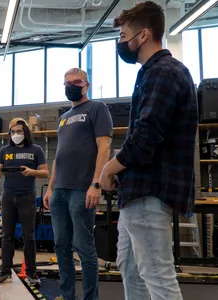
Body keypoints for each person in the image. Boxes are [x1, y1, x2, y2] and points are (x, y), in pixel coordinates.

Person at [99, 2, 198, 300]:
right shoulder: (149, 73)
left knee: (157, 276)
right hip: (137, 192)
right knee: (130, 269)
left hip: (150, 193)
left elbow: (146, 138)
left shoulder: (164, 73)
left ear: (143, 35)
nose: (120, 42)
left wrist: (108, 168)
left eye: (123, 35)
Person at [43, 67, 113, 300]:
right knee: (61, 246)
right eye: (67, 84)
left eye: (76, 82)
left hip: (82, 190)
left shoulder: (97, 108)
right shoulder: (63, 118)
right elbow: (59, 156)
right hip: (60, 191)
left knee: (84, 248)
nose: (71, 86)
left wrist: (96, 184)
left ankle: (90, 298)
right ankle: (67, 295)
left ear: (86, 85)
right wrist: (51, 188)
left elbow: (104, 147)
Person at [0, 118, 49, 286]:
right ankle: (4, 272)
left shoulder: (36, 150)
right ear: (9, 134)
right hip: (8, 197)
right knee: (7, 237)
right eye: (13, 132)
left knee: (29, 237)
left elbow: (45, 172)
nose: (16, 134)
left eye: (19, 131)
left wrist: (31, 172)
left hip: (27, 198)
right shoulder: (4, 150)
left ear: (25, 133)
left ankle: (31, 274)